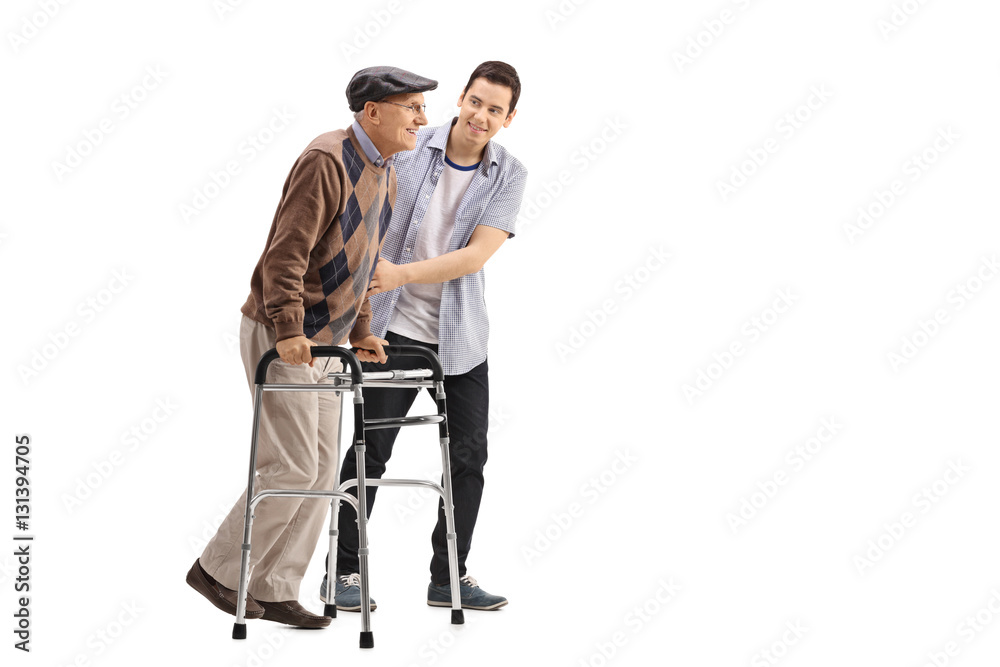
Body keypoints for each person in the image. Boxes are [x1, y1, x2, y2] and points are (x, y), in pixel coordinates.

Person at [187, 66, 437, 629]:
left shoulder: (386, 172)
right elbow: (286, 254)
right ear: (373, 112)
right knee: (293, 464)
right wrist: (289, 329)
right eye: (413, 107)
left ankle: (275, 587)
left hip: (327, 343)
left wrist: (362, 330)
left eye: (423, 108)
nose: (423, 119)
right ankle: (218, 570)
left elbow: (367, 261)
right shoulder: (327, 159)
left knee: (323, 472)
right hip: (287, 336)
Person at [320, 61, 526, 612]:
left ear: (509, 119)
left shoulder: (509, 174)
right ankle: (342, 574)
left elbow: (477, 255)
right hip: (390, 329)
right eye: (476, 102)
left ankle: (449, 578)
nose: (482, 116)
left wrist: (402, 273)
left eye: (496, 110)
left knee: (469, 458)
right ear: (461, 98)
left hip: (461, 337)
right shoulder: (410, 145)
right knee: (370, 452)